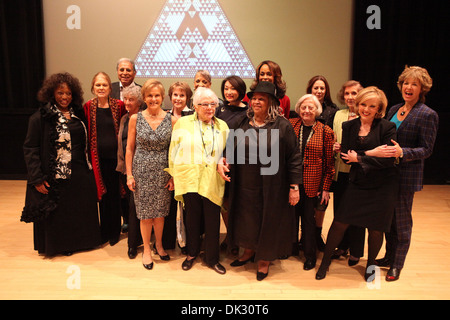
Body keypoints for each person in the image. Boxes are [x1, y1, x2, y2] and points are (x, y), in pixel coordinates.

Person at [219, 81, 302, 280]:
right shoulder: (242, 122)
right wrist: (224, 160)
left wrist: (294, 186)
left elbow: (294, 157)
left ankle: (264, 260)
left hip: (272, 187)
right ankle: (248, 252)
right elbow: (230, 148)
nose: (255, 102)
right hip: (244, 184)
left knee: (268, 221)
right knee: (246, 219)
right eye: (254, 98)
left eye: (261, 99)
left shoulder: (282, 125)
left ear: (271, 103)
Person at [316, 86, 399, 281]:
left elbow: (387, 159)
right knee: (339, 222)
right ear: (358, 105)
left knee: (376, 228)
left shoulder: (387, 127)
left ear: (379, 108)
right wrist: (371, 153)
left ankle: (371, 265)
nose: (366, 109)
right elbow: (346, 157)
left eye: (372, 106)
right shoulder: (349, 126)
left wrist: (360, 157)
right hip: (357, 183)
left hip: (383, 186)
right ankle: (325, 262)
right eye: (363, 104)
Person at [21, 72, 101, 256]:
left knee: (78, 210)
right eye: (60, 93)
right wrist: (37, 178)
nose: (65, 97)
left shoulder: (78, 114)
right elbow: (30, 148)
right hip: (55, 176)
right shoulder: (41, 118)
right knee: (60, 214)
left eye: (68, 94)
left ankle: (83, 242)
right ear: (52, 94)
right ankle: (62, 246)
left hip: (81, 172)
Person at [375, 66, 439, 281]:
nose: (408, 87)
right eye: (405, 83)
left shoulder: (428, 114)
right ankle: (388, 256)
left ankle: (397, 264)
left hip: (406, 176)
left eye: (414, 84)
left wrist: (403, 152)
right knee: (388, 219)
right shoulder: (394, 109)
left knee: (401, 223)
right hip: (386, 174)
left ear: (422, 89)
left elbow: (427, 149)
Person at [167, 87, 229, 275]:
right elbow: (173, 149)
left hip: (212, 179)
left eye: (213, 104)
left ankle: (212, 258)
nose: (210, 108)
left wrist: (221, 159)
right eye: (205, 104)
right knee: (192, 219)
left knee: (212, 220)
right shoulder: (182, 123)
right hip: (189, 177)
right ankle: (191, 254)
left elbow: (227, 151)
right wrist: (172, 174)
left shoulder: (222, 126)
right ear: (195, 106)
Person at [126, 79, 176, 270]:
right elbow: (129, 149)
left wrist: (173, 176)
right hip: (141, 171)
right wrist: (129, 174)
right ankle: (146, 249)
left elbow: (176, 150)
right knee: (145, 215)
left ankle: (160, 245)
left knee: (161, 214)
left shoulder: (172, 120)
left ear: (162, 97)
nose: (153, 99)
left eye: (157, 95)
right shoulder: (135, 119)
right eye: (150, 95)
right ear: (144, 97)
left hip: (163, 171)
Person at [289, 94, 335, 270]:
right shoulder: (291, 125)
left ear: (317, 110)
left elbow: (329, 164)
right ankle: (291, 247)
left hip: (312, 185)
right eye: (303, 107)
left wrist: (325, 188)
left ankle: (310, 255)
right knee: (291, 218)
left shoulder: (326, 131)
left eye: (311, 107)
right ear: (299, 109)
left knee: (308, 220)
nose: (307, 110)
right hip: (292, 182)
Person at [84, 72, 126, 246]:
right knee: (103, 196)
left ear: (110, 88)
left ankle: (115, 231)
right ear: (93, 88)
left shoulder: (119, 105)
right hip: (97, 160)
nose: (101, 88)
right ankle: (104, 231)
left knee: (116, 196)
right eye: (98, 85)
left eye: (104, 85)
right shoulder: (88, 106)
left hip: (116, 160)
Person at [331, 80, 365, 266]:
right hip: (340, 171)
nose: (350, 97)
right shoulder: (338, 115)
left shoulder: (365, 114)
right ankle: (342, 246)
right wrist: (335, 145)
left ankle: (357, 251)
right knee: (340, 211)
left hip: (359, 170)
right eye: (347, 94)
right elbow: (336, 138)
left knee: (357, 213)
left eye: (354, 93)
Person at [215, 75, 248, 255]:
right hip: (223, 162)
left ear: (241, 90)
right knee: (225, 201)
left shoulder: (249, 111)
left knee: (241, 202)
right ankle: (230, 236)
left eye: (233, 88)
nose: (229, 92)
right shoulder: (219, 110)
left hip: (243, 163)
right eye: (226, 88)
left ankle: (241, 236)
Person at [305, 75, 339, 250]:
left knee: (321, 203)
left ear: (326, 91)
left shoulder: (333, 110)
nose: (318, 91)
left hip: (324, 161)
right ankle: (304, 237)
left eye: (322, 88)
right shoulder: (304, 107)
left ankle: (317, 235)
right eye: (315, 88)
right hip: (306, 165)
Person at [163, 81, 194, 254]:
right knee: (168, 207)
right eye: (175, 95)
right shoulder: (164, 116)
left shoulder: (194, 116)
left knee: (188, 209)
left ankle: (188, 243)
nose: (178, 98)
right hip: (168, 168)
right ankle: (168, 242)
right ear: (170, 97)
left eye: (182, 95)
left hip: (188, 169)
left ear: (188, 98)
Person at [116, 86, 144, 259]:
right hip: (127, 168)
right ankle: (132, 243)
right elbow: (123, 145)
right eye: (125, 99)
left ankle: (140, 241)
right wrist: (125, 168)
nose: (126, 102)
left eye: (131, 99)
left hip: (140, 168)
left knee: (138, 207)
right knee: (130, 207)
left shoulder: (142, 117)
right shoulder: (124, 118)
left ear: (139, 101)